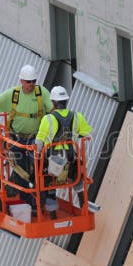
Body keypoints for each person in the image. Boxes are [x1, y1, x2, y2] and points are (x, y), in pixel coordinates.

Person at [0, 64, 53, 204]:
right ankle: (28, 201)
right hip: (17, 139)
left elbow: (53, 111)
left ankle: (43, 198)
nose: (31, 84)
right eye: (28, 81)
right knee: (20, 169)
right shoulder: (13, 95)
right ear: (21, 81)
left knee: (40, 166)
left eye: (33, 81)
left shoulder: (41, 93)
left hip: (36, 138)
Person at [34, 86, 92, 217]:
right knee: (78, 175)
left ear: (53, 102)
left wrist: (37, 158)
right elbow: (87, 135)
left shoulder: (47, 119)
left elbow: (38, 143)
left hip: (53, 163)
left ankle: (52, 213)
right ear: (66, 101)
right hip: (71, 160)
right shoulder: (77, 117)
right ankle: (84, 203)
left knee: (47, 181)